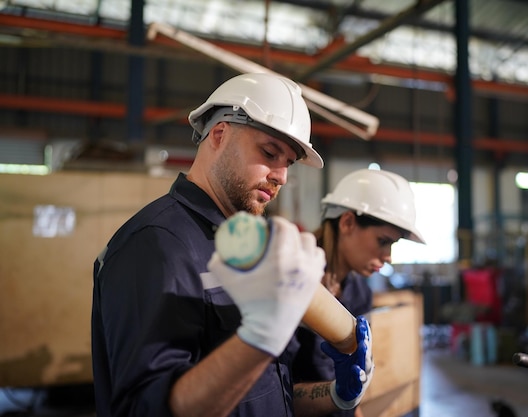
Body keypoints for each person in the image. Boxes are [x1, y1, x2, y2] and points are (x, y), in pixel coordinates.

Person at [91, 72, 374, 417]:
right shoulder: (157, 245)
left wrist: (335, 395)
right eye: (270, 152)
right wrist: (261, 336)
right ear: (220, 134)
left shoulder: (244, 246)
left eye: (288, 163)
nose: (282, 176)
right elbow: (145, 409)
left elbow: (261, 395)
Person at [292, 168, 425, 417]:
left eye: (392, 245)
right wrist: (334, 395)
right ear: (347, 222)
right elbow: (272, 390)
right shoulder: (293, 280)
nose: (388, 257)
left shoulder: (359, 294)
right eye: (383, 241)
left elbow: (353, 386)